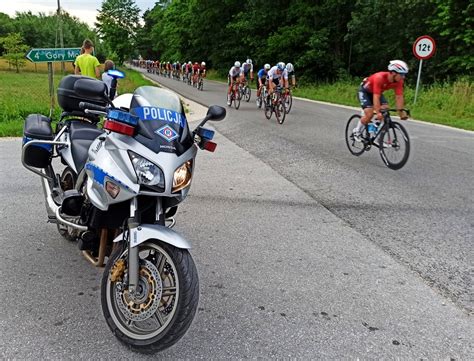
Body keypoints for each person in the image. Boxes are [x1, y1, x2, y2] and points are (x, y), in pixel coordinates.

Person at [352, 60, 409, 141]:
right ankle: (357, 131)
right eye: (402, 74)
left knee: (385, 109)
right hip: (365, 91)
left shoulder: (399, 81)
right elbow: (376, 97)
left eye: (404, 74)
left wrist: (401, 112)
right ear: (393, 73)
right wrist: (378, 112)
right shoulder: (379, 78)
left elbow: (399, 97)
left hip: (377, 92)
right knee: (370, 114)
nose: (403, 77)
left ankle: (379, 137)